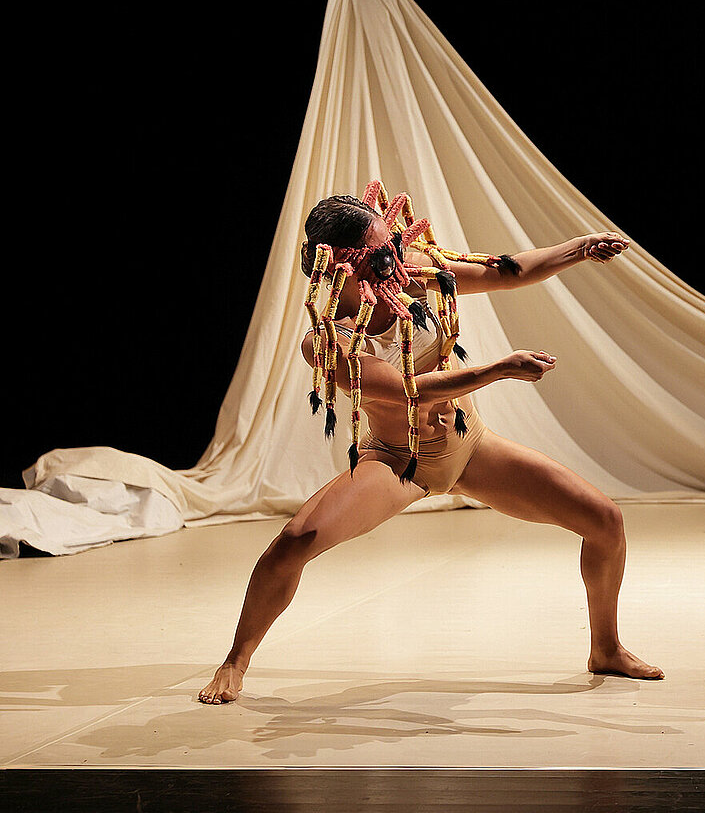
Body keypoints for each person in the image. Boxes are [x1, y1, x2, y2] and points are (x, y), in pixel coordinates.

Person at [199, 182, 660, 703]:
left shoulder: (416, 274)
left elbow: (507, 271)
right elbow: (406, 393)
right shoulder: (327, 341)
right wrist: (498, 368)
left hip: (470, 447)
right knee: (295, 543)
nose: (396, 256)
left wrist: (579, 247)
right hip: (400, 463)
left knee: (605, 521)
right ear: (343, 265)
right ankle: (235, 661)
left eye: (392, 244)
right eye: (380, 251)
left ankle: (606, 648)